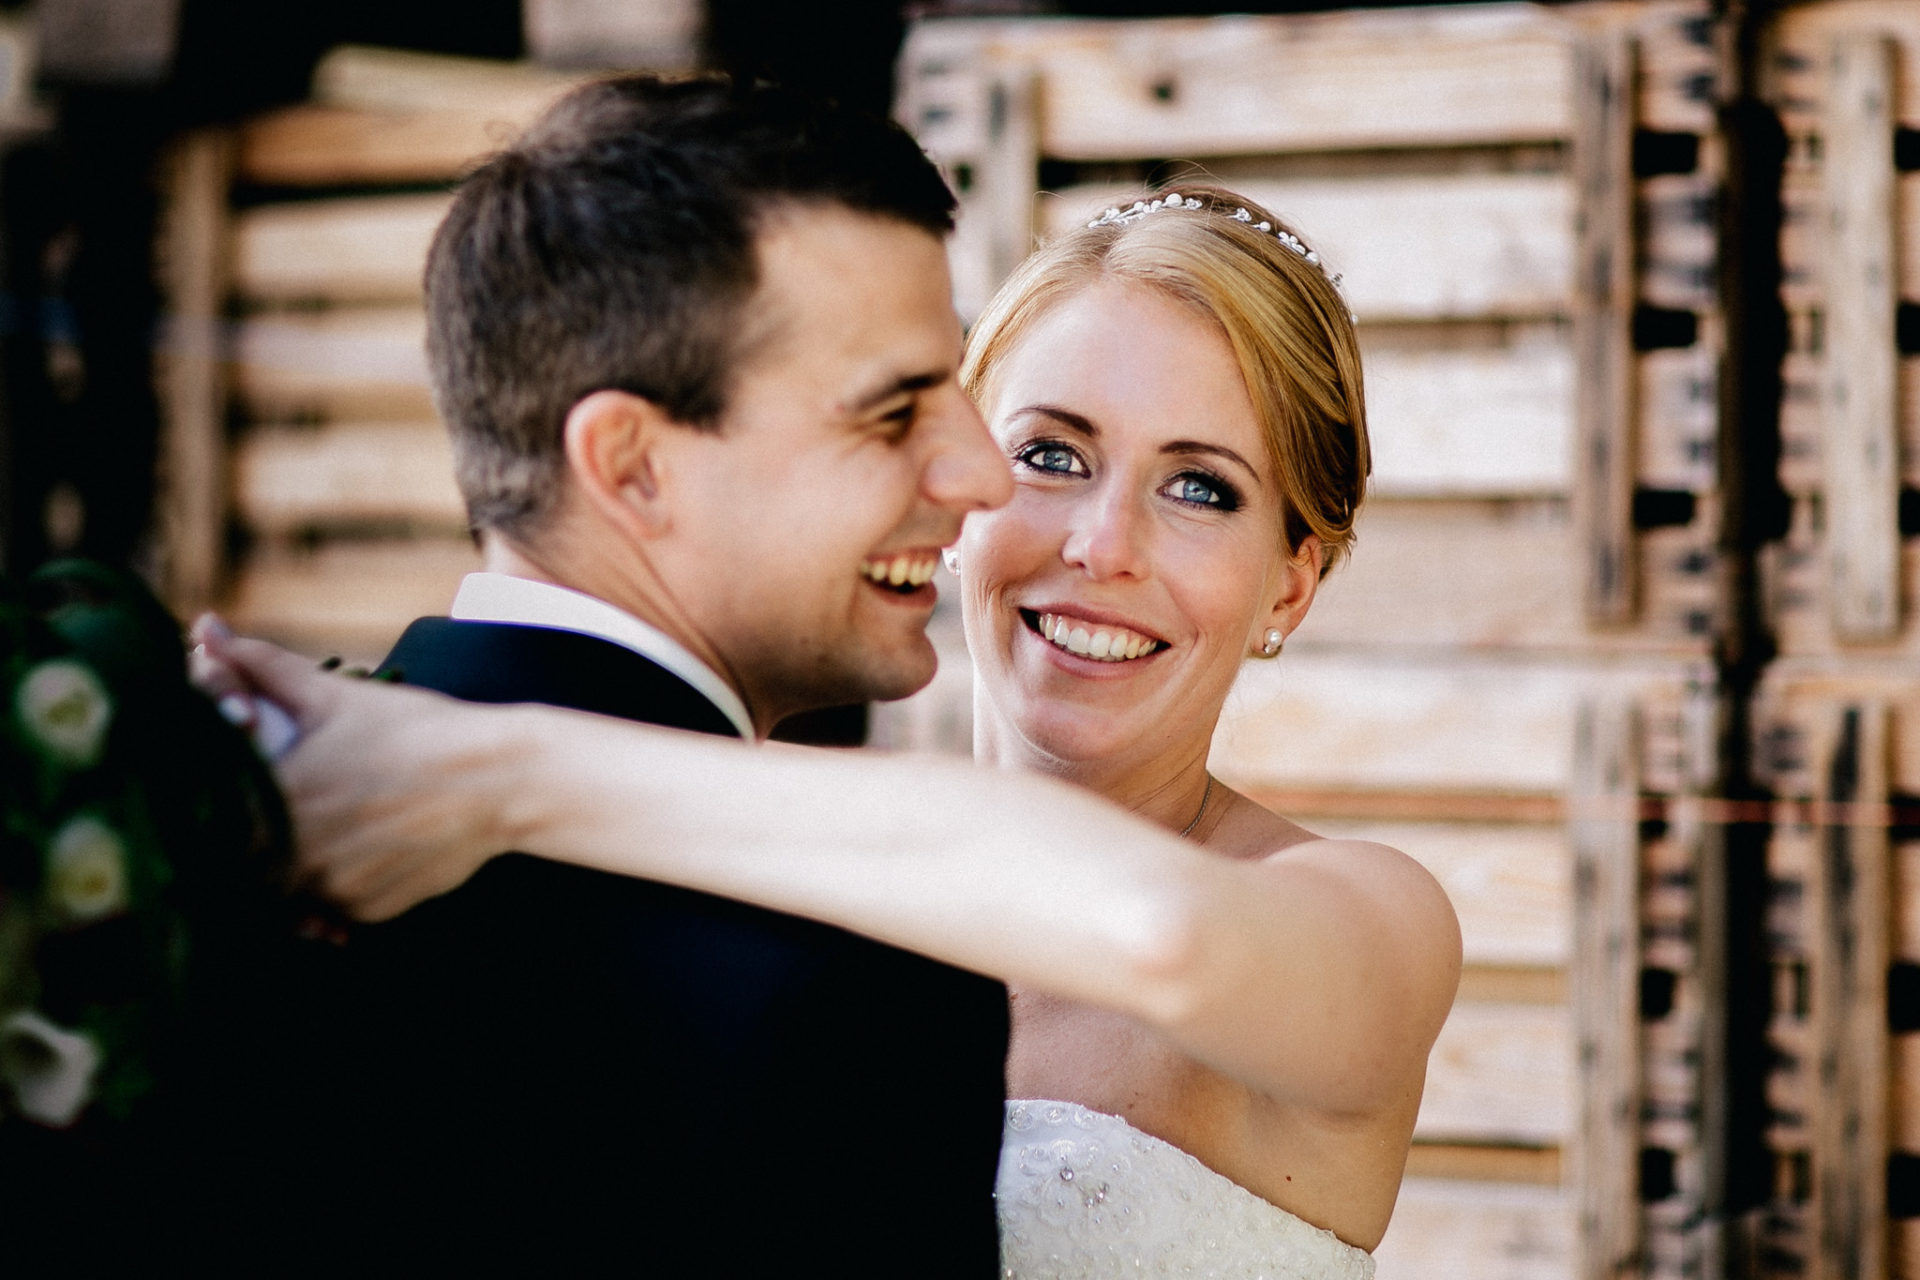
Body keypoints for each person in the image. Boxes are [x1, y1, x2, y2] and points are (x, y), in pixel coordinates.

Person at [204, 187, 1461, 1277]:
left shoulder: (1373, 920)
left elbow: (1171, 934)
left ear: (1289, 582)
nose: (1101, 546)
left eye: (1201, 487)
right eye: (1052, 453)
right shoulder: (765, 859)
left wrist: (492, 768)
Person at [219, 74, 1022, 1274]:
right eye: (897, 409)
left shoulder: (216, 838)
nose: (983, 472)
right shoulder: (855, 980)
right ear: (632, 465)